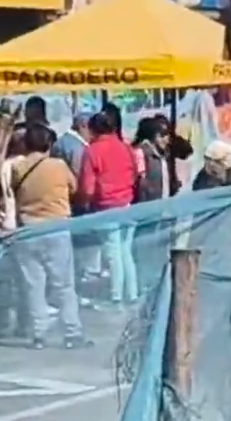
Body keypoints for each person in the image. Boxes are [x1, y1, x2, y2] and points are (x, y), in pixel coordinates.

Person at [12, 123, 89, 349]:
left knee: (34, 285)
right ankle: (72, 332)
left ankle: (38, 334)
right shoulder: (59, 166)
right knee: (63, 284)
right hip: (57, 228)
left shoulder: (18, 167)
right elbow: (74, 188)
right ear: (49, 143)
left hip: (27, 229)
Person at [78, 111, 138, 306]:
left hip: (106, 206)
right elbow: (135, 173)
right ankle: (132, 292)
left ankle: (116, 296)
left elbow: (87, 186)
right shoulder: (125, 147)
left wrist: (84, 202)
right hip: (127, 204)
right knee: (125, 251)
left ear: (94, 129)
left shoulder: (92, 151)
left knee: (112, 253)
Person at [0, 127, 30, 339]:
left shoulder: (4, 166)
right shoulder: (29, 164)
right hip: (27, 228)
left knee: (4, 281)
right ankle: (25, 323)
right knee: (26, 280)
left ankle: (2, 323)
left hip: (6, 227)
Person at [52, 112, 100, 295]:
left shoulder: (61, 142)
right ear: (83, 127)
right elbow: (80, 175)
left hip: (67, 200)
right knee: (83, 244)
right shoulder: (77, 147)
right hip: (78, 201)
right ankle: (85, 282)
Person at [132, 117, 170, 203]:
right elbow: (141, 185)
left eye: (167, 135)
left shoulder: (162, 154)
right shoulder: (142, 153)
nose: (166, 140)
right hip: (149, 208)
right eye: (162, 135)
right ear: (153, 136)